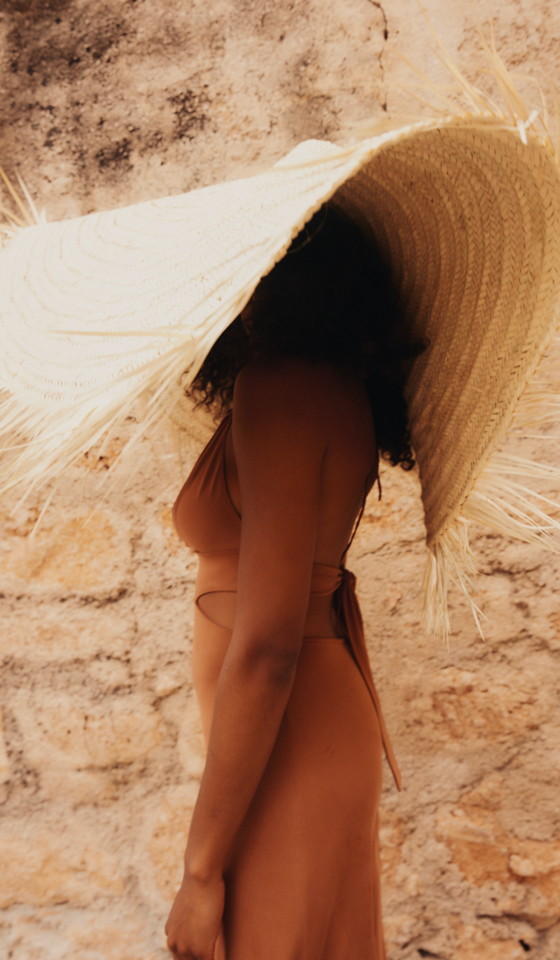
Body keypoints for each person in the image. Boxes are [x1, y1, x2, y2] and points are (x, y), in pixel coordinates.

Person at [166, 205, 422, 960]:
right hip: (291, 738)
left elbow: (270, 648)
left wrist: (199, 873)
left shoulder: (278, 389)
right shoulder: (334, 389)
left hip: (292, 741)